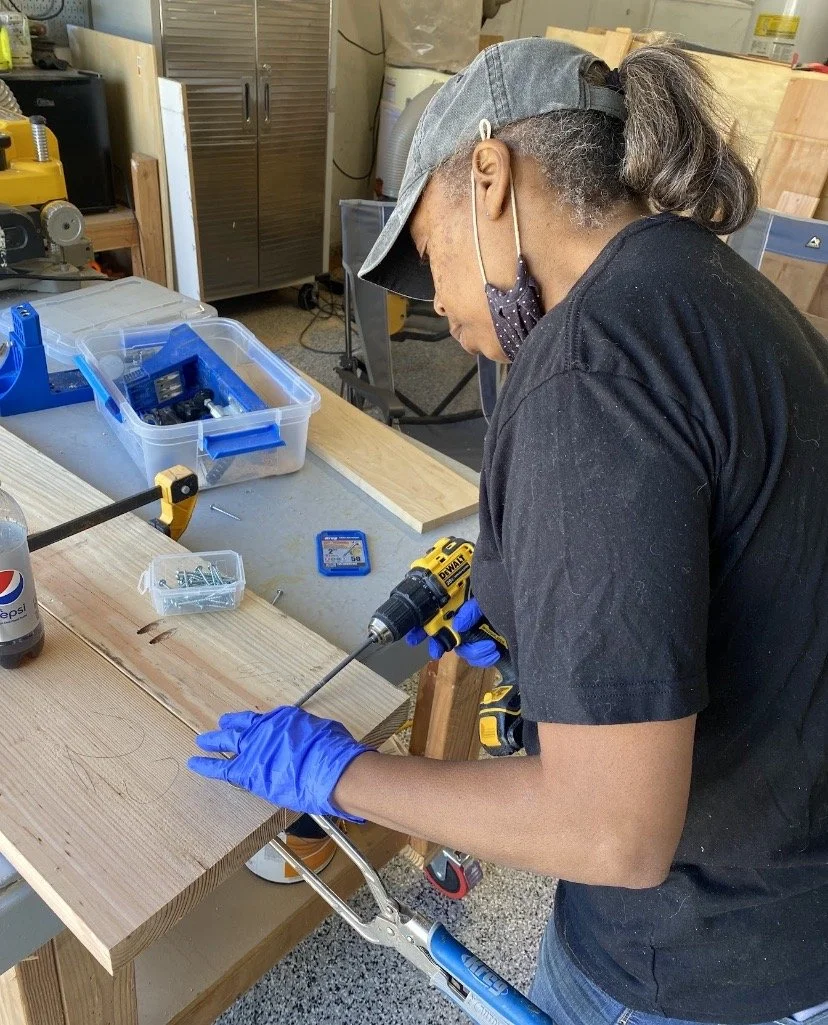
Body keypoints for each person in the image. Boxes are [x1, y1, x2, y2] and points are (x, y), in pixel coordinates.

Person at [188, 37, 828, 1025]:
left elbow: (611, 830)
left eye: (431, 251)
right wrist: (543, 608)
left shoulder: (588, 373)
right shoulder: (703, 278)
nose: (439, 302)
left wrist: (340, 773)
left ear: (489, 177)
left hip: (700, 955)